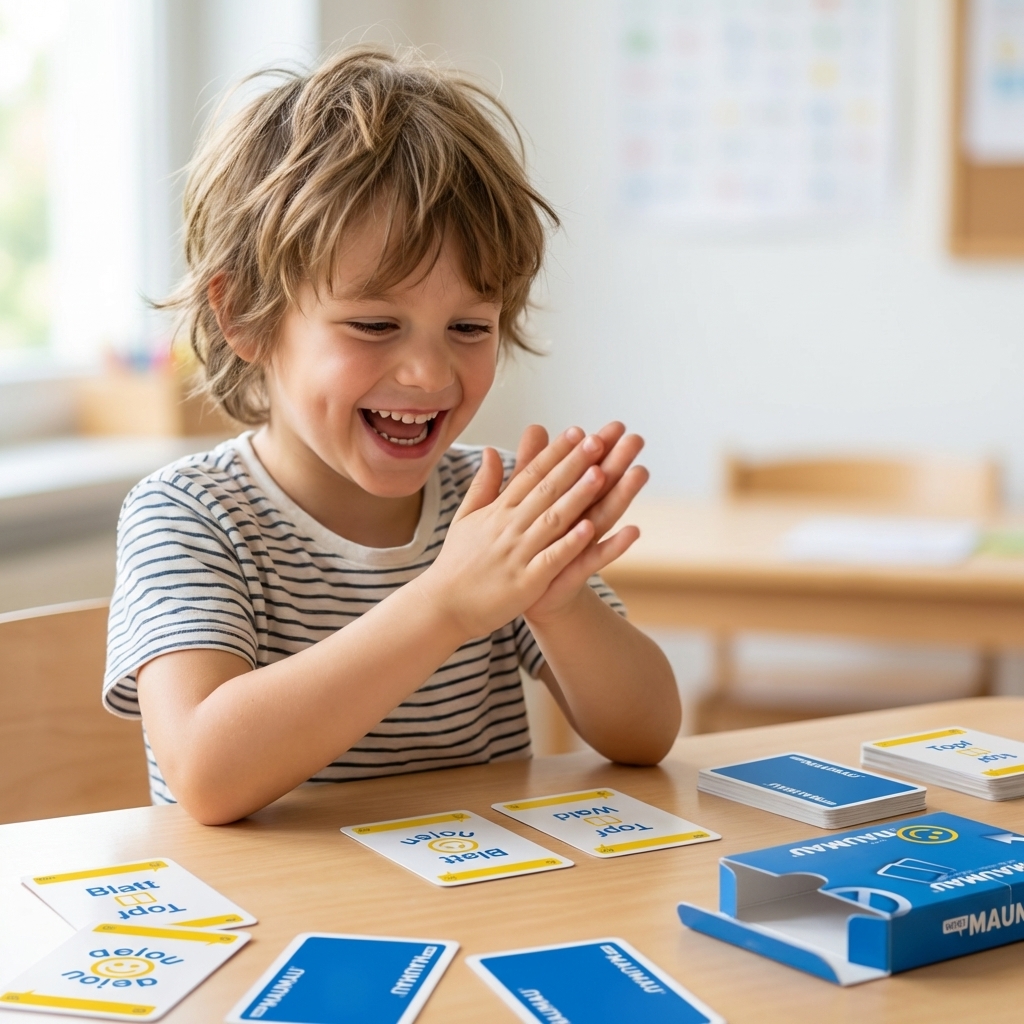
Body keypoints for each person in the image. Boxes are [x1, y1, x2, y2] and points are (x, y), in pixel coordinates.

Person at [103, 47, 679, 825]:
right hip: (272, 924)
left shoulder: (493, 507)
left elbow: (645, 735)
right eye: (375, 324)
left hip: (476, 897)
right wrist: (446, 603)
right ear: (242, 317)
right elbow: (206, 773)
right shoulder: (188, 516)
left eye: (470, 326)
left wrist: (558, 603)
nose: (427, 372)